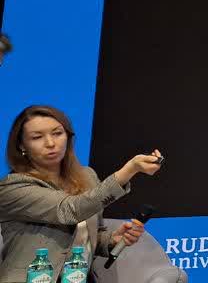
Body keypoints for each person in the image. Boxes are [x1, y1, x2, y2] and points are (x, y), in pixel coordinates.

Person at [0, 105, 163, 283]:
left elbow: (87, 236)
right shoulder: (12, 186)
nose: (50, 143)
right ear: (22, 145)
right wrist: (130, 169)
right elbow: (70, 210)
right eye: (37, 137)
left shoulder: (87, 176)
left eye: (57, 133)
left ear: (68, 137)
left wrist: (112, 240)